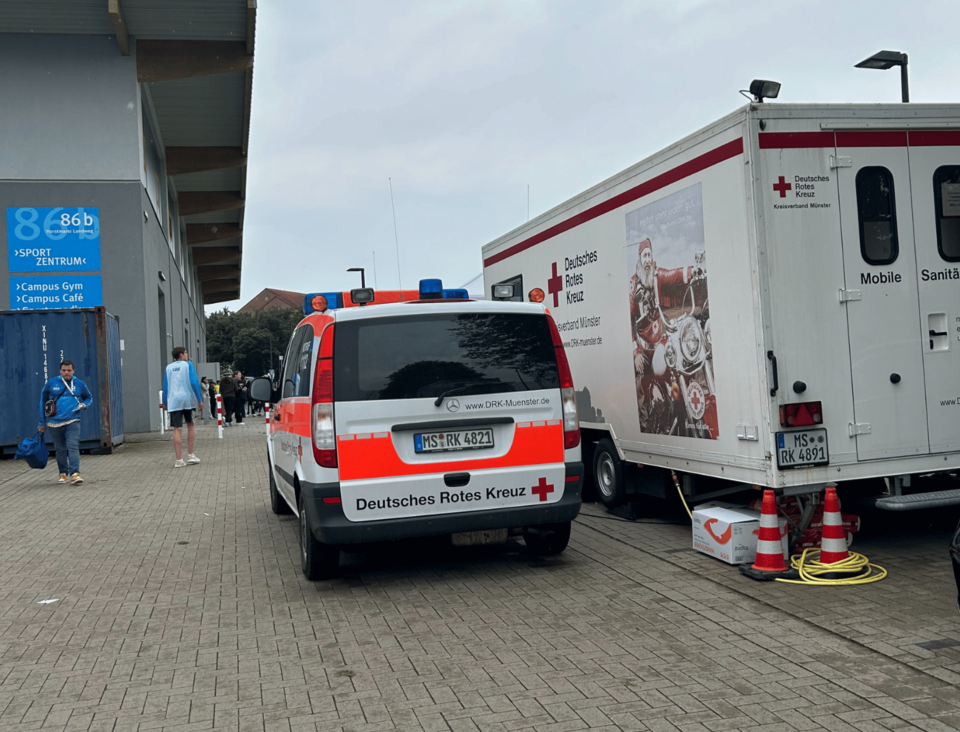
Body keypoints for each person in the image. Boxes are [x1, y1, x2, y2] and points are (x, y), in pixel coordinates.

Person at [38, 359, 93, 485]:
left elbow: (89, 397)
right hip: (54, 422)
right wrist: (42, 421)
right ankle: (63, 473)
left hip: (73, 420)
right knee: (60, 448)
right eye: (64, 370)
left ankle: (75, 473)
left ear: (73, 370)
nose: (66, 373)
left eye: (69, 370)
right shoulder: (51, 383)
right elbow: (43, 401)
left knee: (73, 446)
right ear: (60, 371)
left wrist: (85, 405)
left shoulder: (79, 384)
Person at [162, 346, 204, 468]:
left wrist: (165, 402)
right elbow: (194, 382)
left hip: (174, 400)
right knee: (190, 424)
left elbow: (166, 386)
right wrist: (199, 399)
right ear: (181, 355)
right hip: (187, 399)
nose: (186, 355)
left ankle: (178, 460)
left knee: (177, 428)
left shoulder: (168, 368)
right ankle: (191, 455)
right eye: (185, 353)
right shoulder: (188, 365)